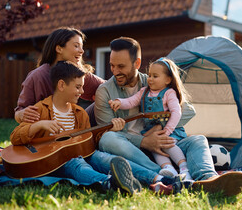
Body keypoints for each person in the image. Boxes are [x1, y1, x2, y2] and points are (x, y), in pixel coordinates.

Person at [94, 37, 242, 196]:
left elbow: (188, 110)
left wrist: (159, 127)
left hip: (164, 143)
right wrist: (145, 142)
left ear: (137, 63)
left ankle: (208, 179)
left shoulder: (153, 80)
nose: (115, 71)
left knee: (198, 140)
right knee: (108, 139)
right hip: (134, 151)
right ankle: (165, 176)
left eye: (121, 66)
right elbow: (104, 134)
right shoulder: (105, 92)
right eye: (112, 65)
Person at [10, 61, 185, 195]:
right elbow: (16, 137)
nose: (81, 92)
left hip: (81, 154)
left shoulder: (80, 113)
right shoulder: (41, 109)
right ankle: (108, 183)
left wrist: (113, 129)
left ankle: (161, 178)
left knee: (104, 158)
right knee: (76, 164)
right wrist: (39, 125)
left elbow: (89, 142)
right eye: (78, 87)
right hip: (55, 161)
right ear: (62, 85)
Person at [108, 57, 193, 180]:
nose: (150, 79)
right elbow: (131, 102)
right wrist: (119, 102)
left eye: (155, 76)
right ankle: (169, 168)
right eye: (149, 75)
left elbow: (176, 112)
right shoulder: (144, 92)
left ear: (168, 80)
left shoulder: (169, 93)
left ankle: (184, 167)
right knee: (155, 148)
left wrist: (167, 130)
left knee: (167, 144)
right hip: (151, 131)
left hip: (169, 130)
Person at [14, 27, 104, 125]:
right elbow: (19, 112)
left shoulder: (79, 74)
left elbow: (107, 87)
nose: (82, 51)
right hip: (44, 130)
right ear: (59, 48)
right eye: (76, 46)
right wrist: (21, 114)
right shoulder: (38, 76)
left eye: (82, 46)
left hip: (72, 125)